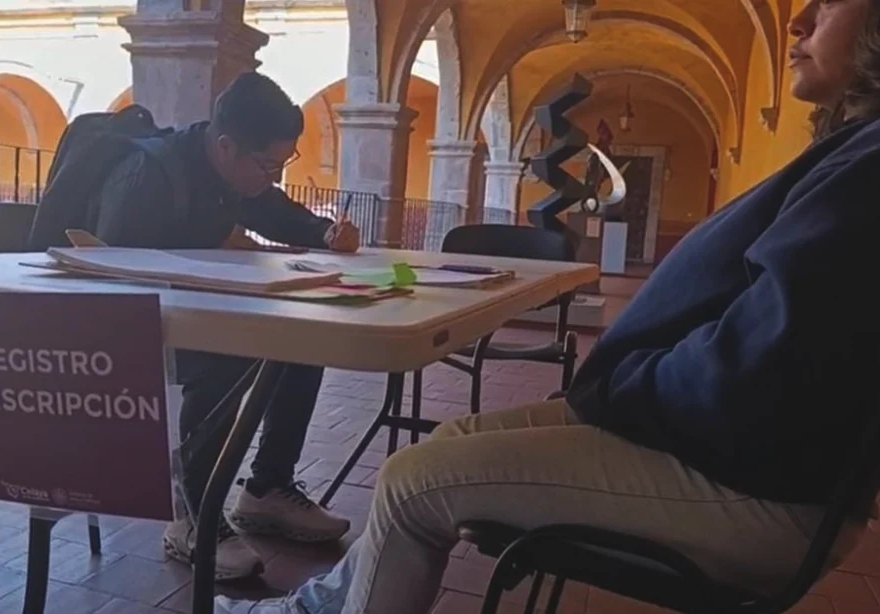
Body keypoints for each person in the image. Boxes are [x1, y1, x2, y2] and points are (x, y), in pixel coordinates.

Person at [217, 0, 880, 611]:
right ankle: (313, 608)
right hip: (733, 455)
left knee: (414, 481)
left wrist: (621, 387)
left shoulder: (867, 171)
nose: (799, 21)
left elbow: (759, 366)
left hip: (757, 492)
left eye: (827, 2)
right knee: (449, 442)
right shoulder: (853, 155)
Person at [88, 71, 361, 581]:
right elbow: (113, 267)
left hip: (190, 314)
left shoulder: (234, 173)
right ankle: (194, 515)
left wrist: (325, 231)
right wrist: (209, 243)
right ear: (226, 146)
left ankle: (266, 490)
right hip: (120, 330)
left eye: (282, 165)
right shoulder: (148, 173)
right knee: (227, 354)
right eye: (268, 165)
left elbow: (275, 211)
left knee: (303, 333)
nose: (273, 178)